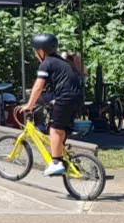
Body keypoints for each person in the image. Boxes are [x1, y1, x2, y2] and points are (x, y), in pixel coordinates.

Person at [18, 32, 84, 177]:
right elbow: (67, 82)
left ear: (42, 51)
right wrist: (54, 100)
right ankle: (65, 159)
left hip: (65, 98)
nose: (35, 54)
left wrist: (29, 105)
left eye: (36, 51)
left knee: (54, 130)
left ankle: (56, 162)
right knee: (62, 130)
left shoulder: (46, 63)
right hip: (77, 98)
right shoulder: (62, 61)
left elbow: (38, 87)